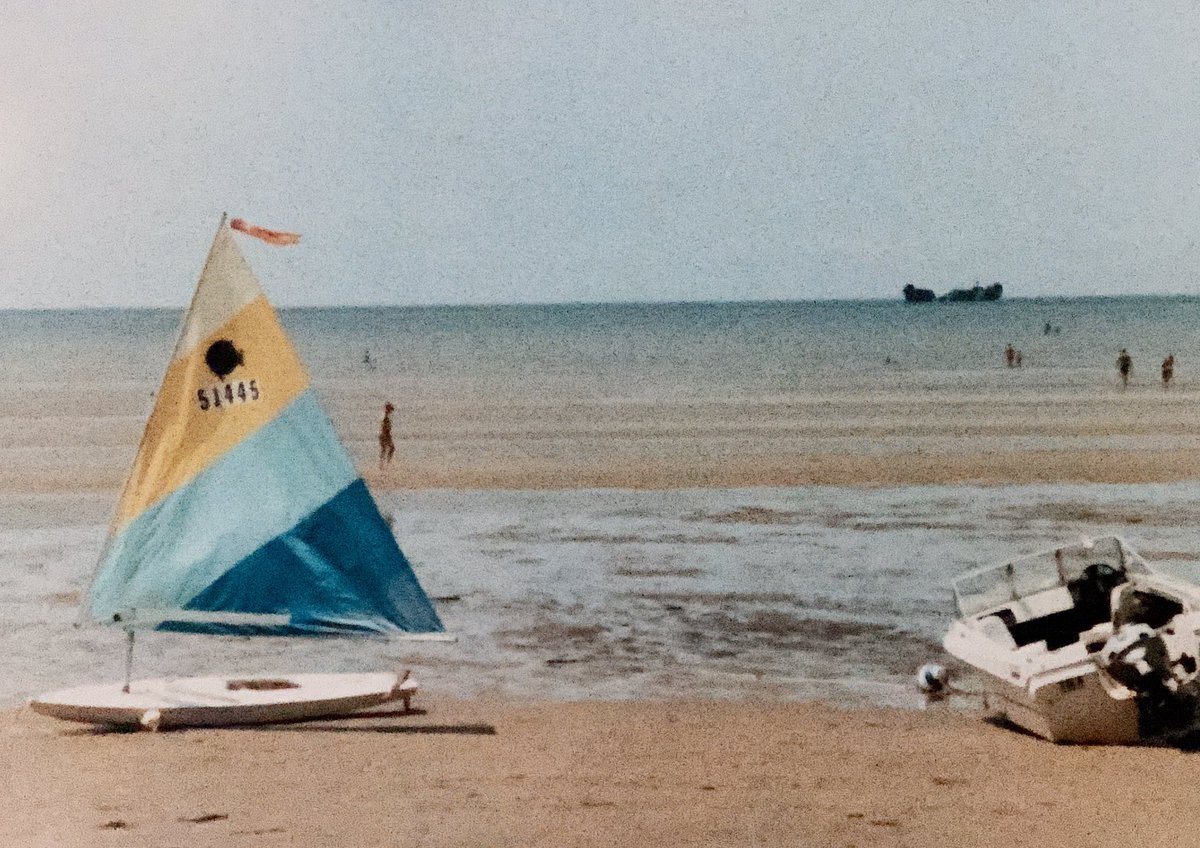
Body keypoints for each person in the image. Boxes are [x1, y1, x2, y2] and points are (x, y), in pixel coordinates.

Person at [378, 402, 395, 468]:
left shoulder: (385, 416)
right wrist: (387, 436)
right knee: (390, 449)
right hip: (385, 435)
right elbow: (385, 428)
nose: (391, 411)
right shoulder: (385, 417)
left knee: (384, 450)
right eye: (390, 409)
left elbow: (384, 427)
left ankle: (383, 464)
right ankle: (387, 464)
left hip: (384, 435)